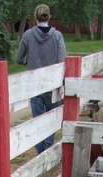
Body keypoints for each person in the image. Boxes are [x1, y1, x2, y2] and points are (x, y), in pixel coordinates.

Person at [15, 4, 67, 154]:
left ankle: (39, 151)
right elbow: (62, 61)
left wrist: (29, 61)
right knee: (50, 119)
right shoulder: (57, 36)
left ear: (35, 17)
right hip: (52, 84)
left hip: (34, 84)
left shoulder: (28, 35)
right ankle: (48, 149)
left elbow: (19, 58)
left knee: (37, 119)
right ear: (49, 17)